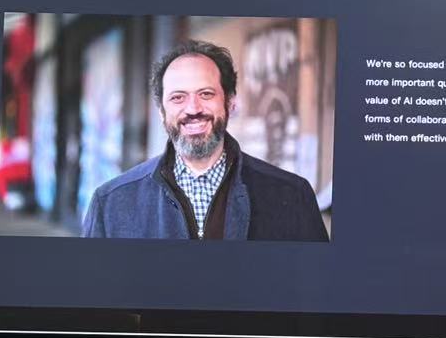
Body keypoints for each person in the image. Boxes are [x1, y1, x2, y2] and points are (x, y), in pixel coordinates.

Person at [82, 38, 329, 242]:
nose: (193, 109)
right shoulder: (110, 203)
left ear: (230, 102)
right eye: (178, 97)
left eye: (206, 94)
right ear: (161, 112)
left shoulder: (293, 196)